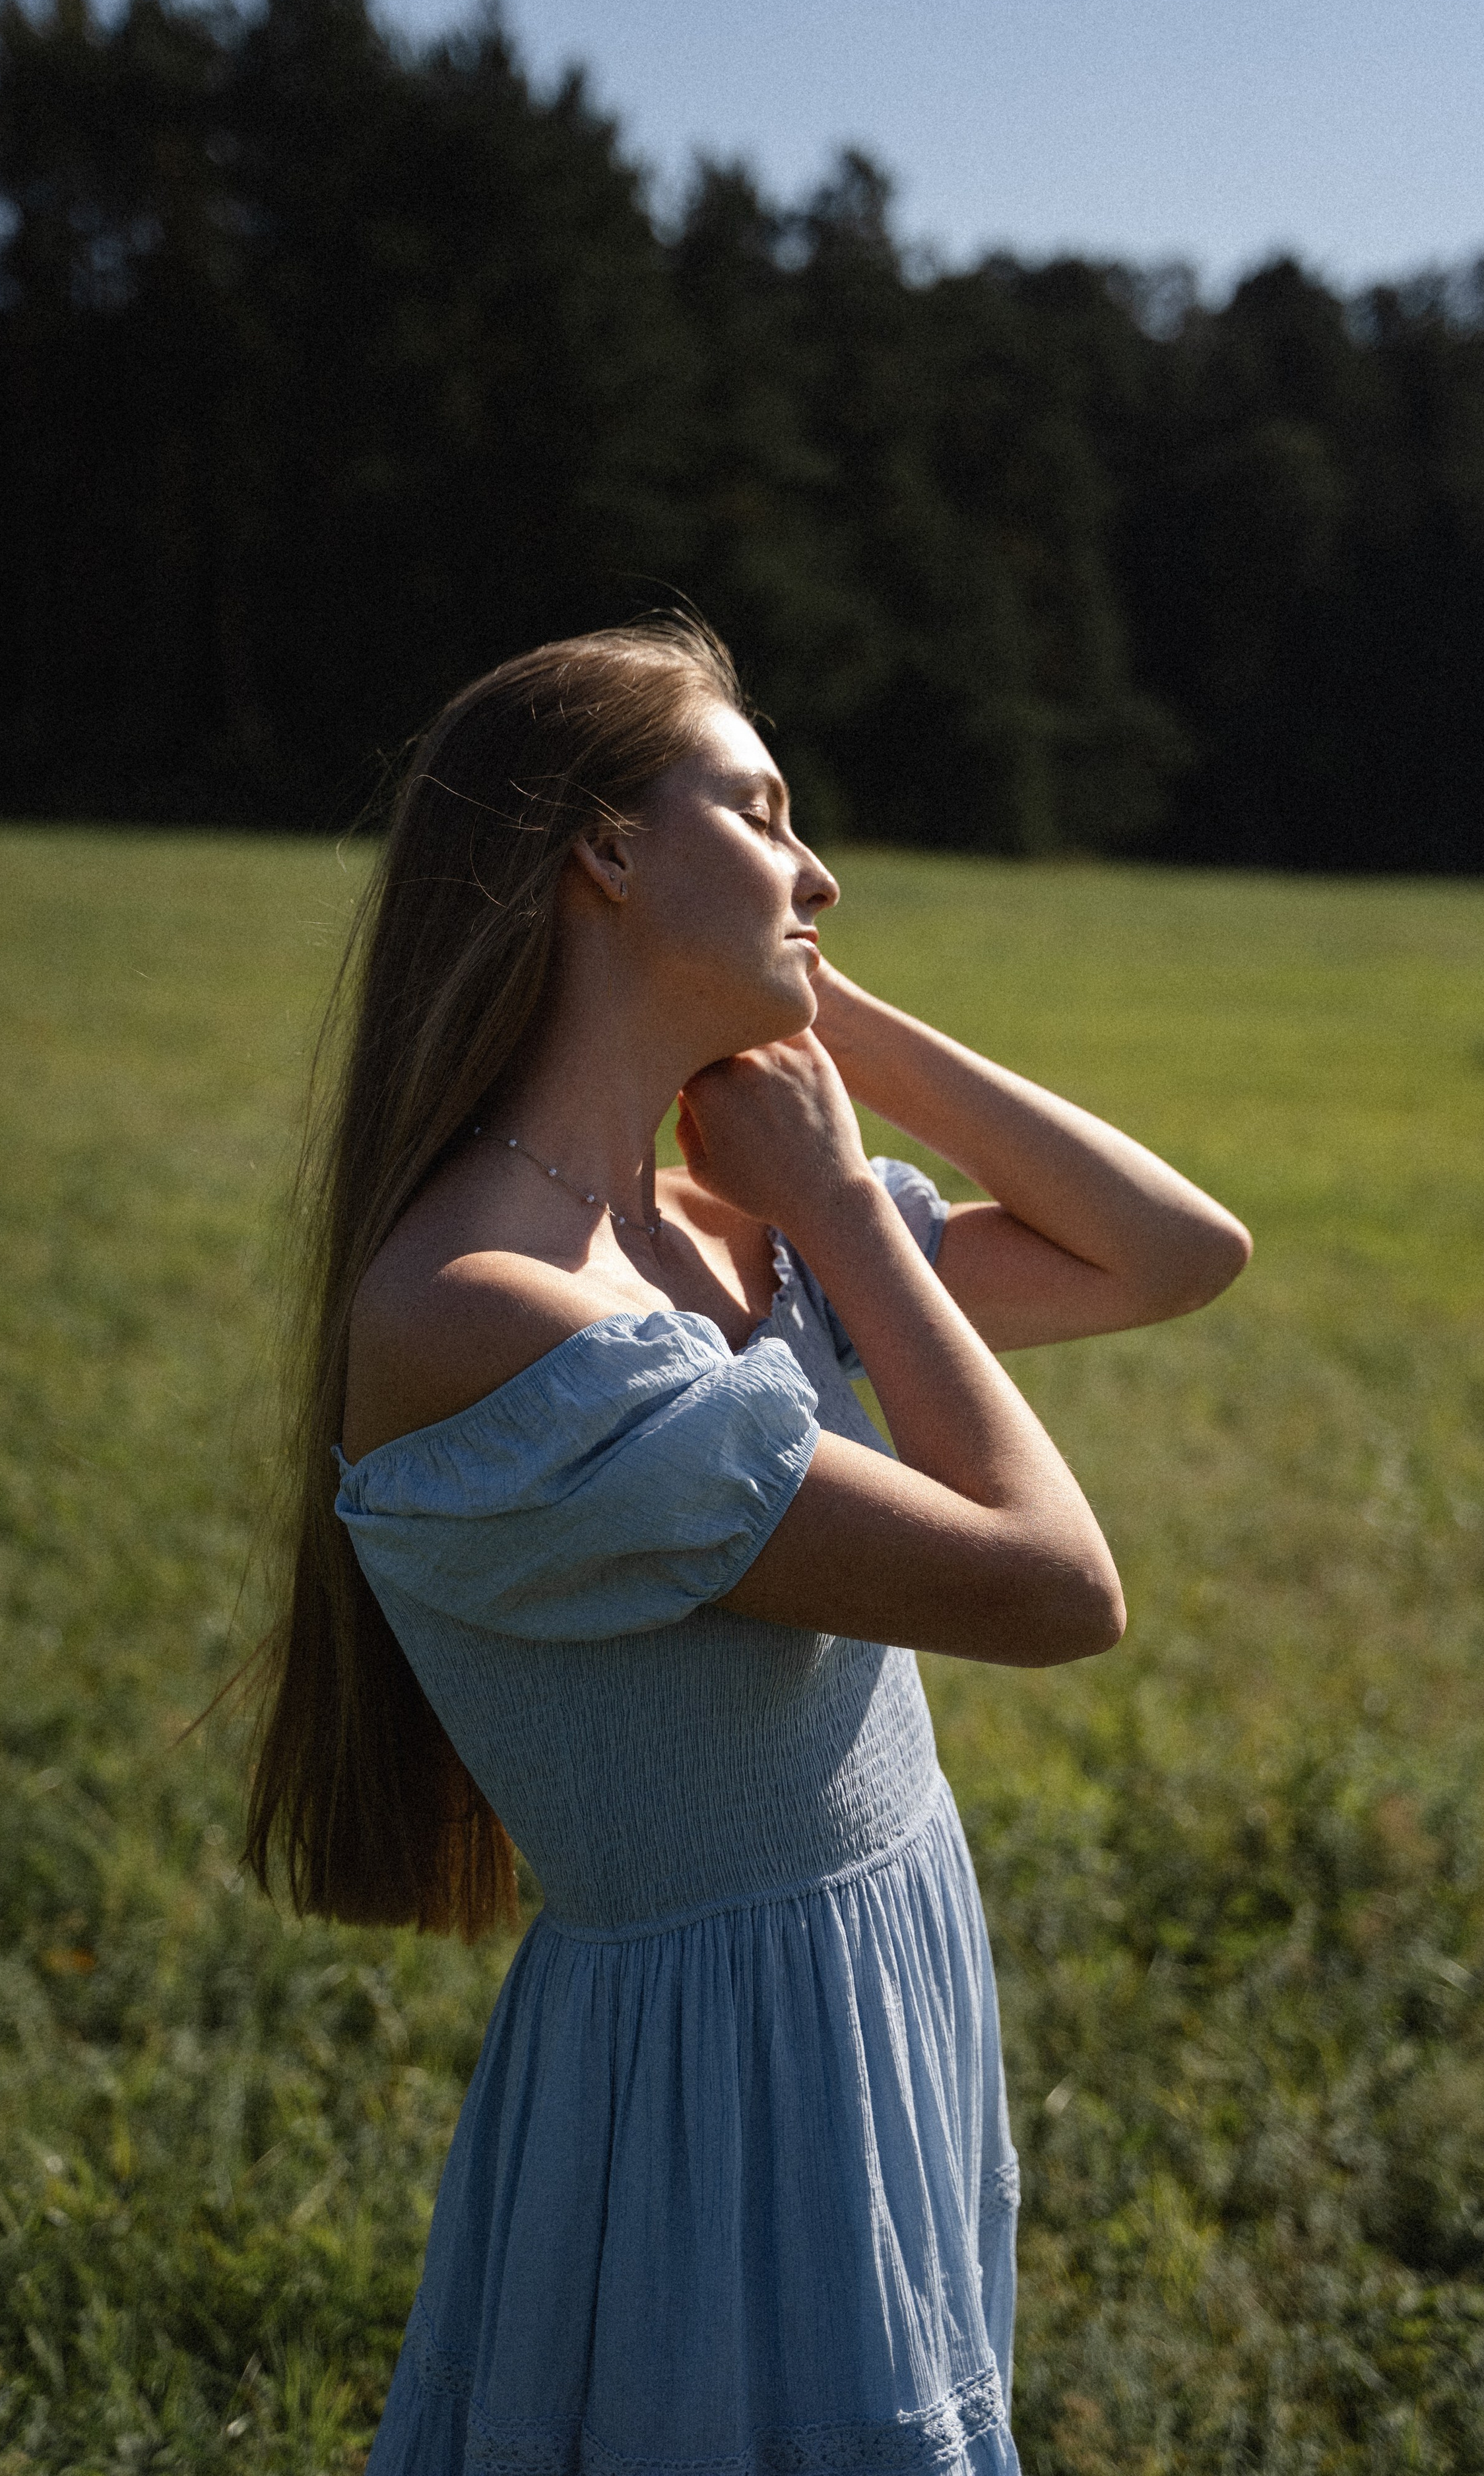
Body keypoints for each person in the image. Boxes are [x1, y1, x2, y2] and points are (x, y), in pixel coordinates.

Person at [245, 618, 1252, 2472]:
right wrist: (849, 1211)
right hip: (722, 2079)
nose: (822, 872)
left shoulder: (716, 1235)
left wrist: (822, 1020)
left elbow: (1177, 1253)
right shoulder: (490, 1309)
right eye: (766, 809)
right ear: (607, 855)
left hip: (877, 1981)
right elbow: (1059, 1591)